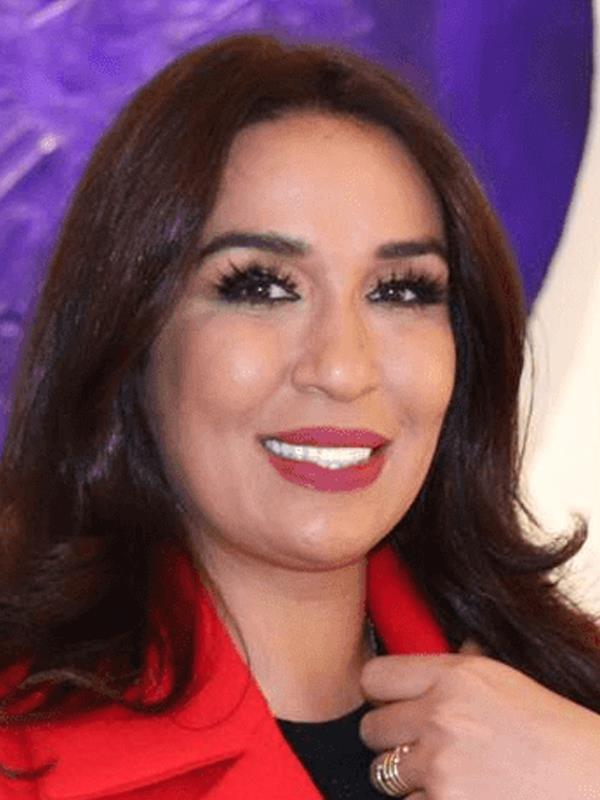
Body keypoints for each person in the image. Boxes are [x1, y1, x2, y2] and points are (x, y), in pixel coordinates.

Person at [0, 32, 599, 800]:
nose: (342, 368)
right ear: (131, 335)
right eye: (261, 286)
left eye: (401, 290)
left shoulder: (576, 713)